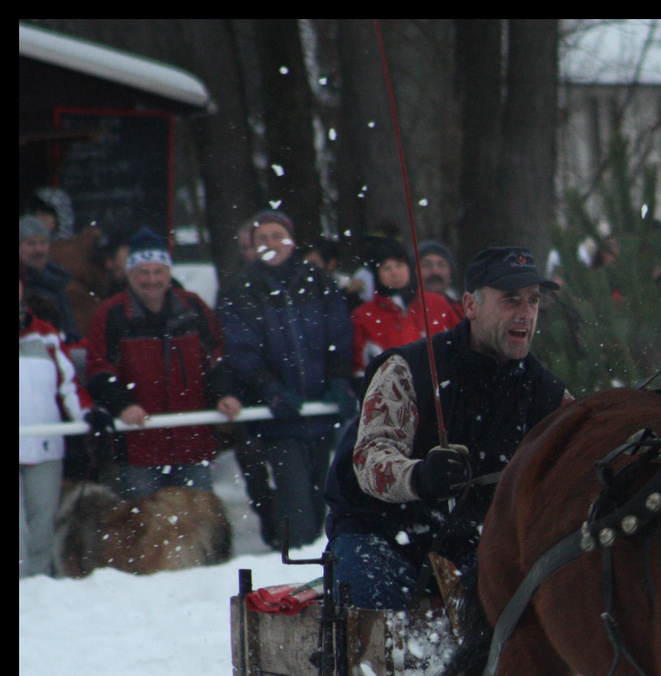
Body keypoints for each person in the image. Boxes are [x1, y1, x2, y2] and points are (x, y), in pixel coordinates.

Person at [323, 247, 571, 609]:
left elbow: (585, 454)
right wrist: (419, 476)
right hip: (379, 536)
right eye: (510, 300)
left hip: (475, 545)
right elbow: (369, 460)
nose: (525, 313)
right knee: (375, 622)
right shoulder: (407, 370)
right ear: (471, 306)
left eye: (533, 301)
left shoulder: (546, 392)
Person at [218, 209, 356, 549]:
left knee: (329, 504)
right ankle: (291, 566)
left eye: (277, 236)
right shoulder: (241, 286)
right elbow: (241, 349)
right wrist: (269, 389)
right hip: (280, 418)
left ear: (291, 240)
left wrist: (339, 380)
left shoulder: (318, 280)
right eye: (261, 238)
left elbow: (339, 335)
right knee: (297, 511)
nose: (270, 244)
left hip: (321, 413)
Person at [84, 229, 239, 501]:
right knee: (145, 530)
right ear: (130, 274)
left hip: (192, 442)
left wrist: (224, 394)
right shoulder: (110, 314)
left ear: (169, 273)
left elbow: (216, 361)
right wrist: (122, 405)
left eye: (159, 271)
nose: (152, 280)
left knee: (199, 524)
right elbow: (99, 372)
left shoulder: (194, 308)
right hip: (138, 447)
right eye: (144, 272)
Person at [19, 278, 92, 577]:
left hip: (45, 446)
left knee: (42, 526)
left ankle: (39, 591)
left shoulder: (46, 335)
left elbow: (68, 385)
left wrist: (86, 415)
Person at [351, 237, 461, 385]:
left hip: (441, 391)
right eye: (386, 268)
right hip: (391, 395)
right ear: (377, 274)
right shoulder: (364, 315)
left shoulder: (437, 303)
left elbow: (462, 345)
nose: (395, 273)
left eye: (399, 265)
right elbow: (360, 368)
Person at [19, 215, 79, 340]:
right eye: (31, 243)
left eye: (43, 242)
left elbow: (70, 328)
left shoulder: (59, 281)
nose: (39, 250)